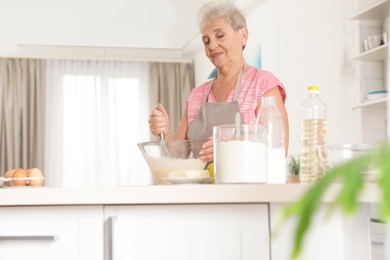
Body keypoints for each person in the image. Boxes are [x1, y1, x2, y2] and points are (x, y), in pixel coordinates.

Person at [149, 1, 289, 162]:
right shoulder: (197, 95)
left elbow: (279, 148)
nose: (212, 46)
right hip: (205, 186)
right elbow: (179, 152)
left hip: (249, 187)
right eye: (206, 41)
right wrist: (165, 133)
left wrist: (229, 148)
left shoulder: (263, 84)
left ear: (243, 36)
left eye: (220, 35)